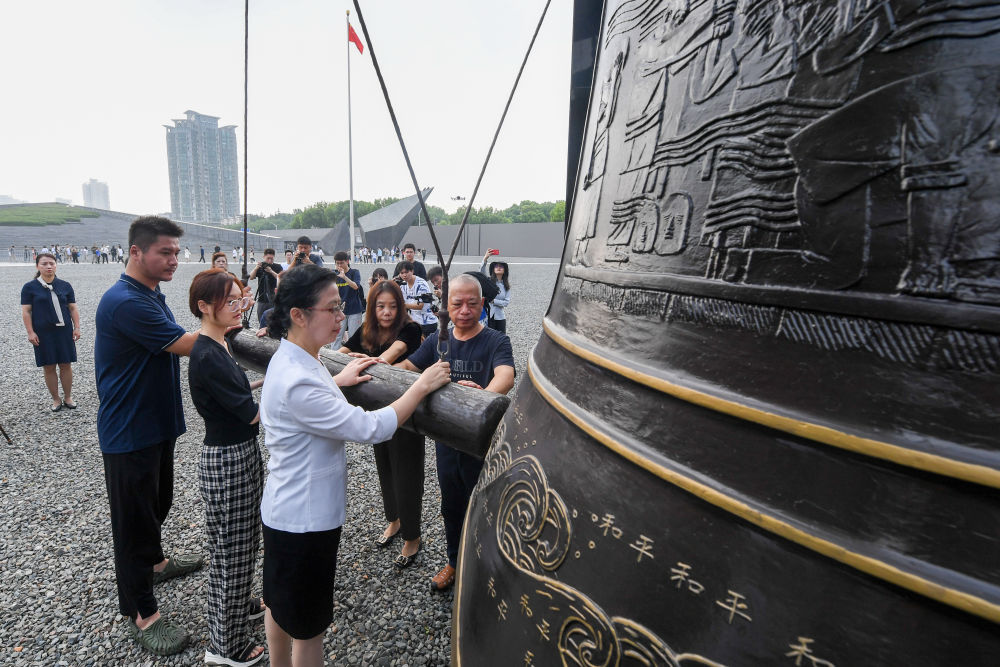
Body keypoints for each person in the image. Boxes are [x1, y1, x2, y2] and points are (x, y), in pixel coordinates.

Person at [259, 264, 450, 667]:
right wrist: (420, 386)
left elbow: (310, 399)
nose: (340, 314)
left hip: (284, 509)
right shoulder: (299, 378)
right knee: (308, 629)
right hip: (306, 519)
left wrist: (337, 380)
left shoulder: (294, 357)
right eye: (331, 308)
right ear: (298, 315)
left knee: (278, 604)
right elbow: (369, 427)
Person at [95, 216, 205, 656]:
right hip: (130, 431)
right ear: (136, 252)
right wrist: (227, 320)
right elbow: (188, 344)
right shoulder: (125, 301)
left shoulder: (150, 293)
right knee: (133, 525)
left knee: (158, 504)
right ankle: (141, 612)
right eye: (165, 252)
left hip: (155, 425)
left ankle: (156, 563)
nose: (174, 259)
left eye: (177, 252)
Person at [397, 274, 515, 592]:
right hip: (447, 442)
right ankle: (455, 561)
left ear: (483, 304)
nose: (464, 310)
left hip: (483, 443)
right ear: (446, 306)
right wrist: (374, 363)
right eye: (457, 303)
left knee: (486, 503)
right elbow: (406, 368)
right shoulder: (438, 341)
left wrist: (481, 400)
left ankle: (487, 564)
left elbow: (506, 376)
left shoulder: (495, 341)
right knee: (451, 504)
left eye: (472, 304)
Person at [188, 269, 267, 667]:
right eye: (230, 301)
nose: (239, 307)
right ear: (204, 306)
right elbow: (250, 414)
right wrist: (295, 390)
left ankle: (235, 610)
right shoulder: (207, 355)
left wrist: (266, 380)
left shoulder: (216, 344)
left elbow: (236, 391)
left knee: (238, 543)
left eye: (241, 299)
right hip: (229, 458)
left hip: (233, 453)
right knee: (232, 551)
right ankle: (226, 646)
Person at [338, 280, 424, 568]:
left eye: (392, 306)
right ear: (372, 308)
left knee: (408, 473)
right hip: (377, 411)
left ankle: (412, 537)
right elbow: (339, 353)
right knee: (385, 468)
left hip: (407, 413)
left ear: (400, 307)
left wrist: (365, 360)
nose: (386, 312)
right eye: (380, 306)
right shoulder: (367, 330)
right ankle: (394, 521)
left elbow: (388, 358)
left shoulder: (410, 329)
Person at [20, 252, 81, 411]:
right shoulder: (29, 287)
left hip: (64, 331)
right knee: (48, 366)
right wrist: (30, 332)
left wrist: (77, 327)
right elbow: (26, 311)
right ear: (37, 266)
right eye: (44, 264)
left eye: (52, 263)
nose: (48, 266)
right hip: (43, 333)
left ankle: (68, 397)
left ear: (56, 265)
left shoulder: (65, 285)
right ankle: (56, 399)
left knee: (66, 364)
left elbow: (72, 308)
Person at [397, 261, 438, 337]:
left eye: (406, 272)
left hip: (427, 323)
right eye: (402, 273)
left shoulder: (421, 284)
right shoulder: (403, 285)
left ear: (412, 271)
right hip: (415, 323)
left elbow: (420, 305)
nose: (404, 275)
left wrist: (402, 305)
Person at [331, 251, 363, 347]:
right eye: (337, 263)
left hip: (354, 310)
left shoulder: (354, 272)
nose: (339, 265)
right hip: (339, 310)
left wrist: (344, 277)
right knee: (336, 336)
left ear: (347, 261)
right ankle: (334, 354)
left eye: (342, 263)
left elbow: (356, 286)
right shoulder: (334, 274)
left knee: (354, 336)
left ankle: (353, 354)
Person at [479, 250, 511, 334]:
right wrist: (485, 258)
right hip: (488, 316)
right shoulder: (489, 282)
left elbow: (506, 303)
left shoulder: (506, 286)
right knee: (489, 338)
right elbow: (481, 274)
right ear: (493, 270)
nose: (498, 267)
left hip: (500, 317)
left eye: (501, 266)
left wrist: (493, 301)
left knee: (501, 338)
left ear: (505, 270)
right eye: (496, 266)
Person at [249, 248, 281, 327]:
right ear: (264, 257)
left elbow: (280, 278)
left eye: (271, 258)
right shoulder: (261, 267)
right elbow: (251, 277)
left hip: (274, 298)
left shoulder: (277, 267)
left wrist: (271, 271)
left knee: (274, 320)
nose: (270, 260)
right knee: (261, 320)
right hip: (262, 298)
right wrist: (256, 268)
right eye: (268, 258)